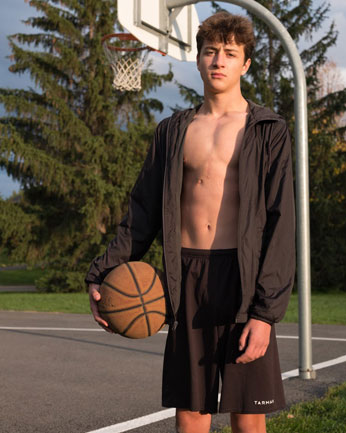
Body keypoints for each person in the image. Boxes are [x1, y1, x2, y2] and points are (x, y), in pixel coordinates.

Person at [86, 11, 295, 433]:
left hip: (243, 276)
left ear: (245, 64)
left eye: (230, 53)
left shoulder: (267, 129)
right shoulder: (173, 131)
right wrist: (102, 271)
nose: (219, 60)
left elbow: (281, 224)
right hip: (188, 278)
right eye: (210, 51)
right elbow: (141, 212)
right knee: (190, 409)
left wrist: (265, 313)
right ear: (198, 59)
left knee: (248, 413)